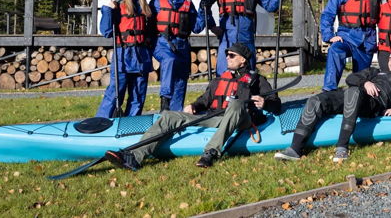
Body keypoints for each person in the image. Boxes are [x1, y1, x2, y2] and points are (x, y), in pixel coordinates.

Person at [104, 43, 281, 170]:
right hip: (215, 118)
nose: (227, 57)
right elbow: (204, 100)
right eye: (227, 54)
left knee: (235, 104)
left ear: (243, 60)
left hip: (241, 119)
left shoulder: (256, 80)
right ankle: (134, 156)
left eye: (232, 55)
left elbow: (276, 104)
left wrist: (266, 103)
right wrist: (194, 106)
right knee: (170, 116)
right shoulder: (220, 79)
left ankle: (210, 152)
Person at [274, 49, 391, 162]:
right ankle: (295, 149)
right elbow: (351, 78)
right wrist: (366, 82)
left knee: (354, 92)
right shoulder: (375, 72)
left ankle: (342, 147)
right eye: (390, 59)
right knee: (316, 100)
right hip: (353, 93)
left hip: (372, 104)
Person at [200, 0, 286, 75]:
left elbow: (271, 6)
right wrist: (212, 26)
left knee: (248, 73)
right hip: (227, 35)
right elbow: (204, 6)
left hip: (247, 36)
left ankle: (248, 93)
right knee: (224, 73)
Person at [96, 0, 155, 118]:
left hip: (141, 55)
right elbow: (107, 31)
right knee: (116, 92)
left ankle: (130, 124)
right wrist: (108, 10)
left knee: (138, 93)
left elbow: (151, 32)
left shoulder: (144, 7)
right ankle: (102, 122)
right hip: (123, 54)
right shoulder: (118, 6)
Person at [320, 0, 381, 91]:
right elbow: (328, 14)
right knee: (335, 51)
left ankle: (355, 99)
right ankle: (329, 90)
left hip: (367, 40)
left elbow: (382, 17)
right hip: (346, 36)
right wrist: (329, 36)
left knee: (361, 81)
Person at [149, 0, 205, 112]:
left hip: (182, 45)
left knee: (181, 79)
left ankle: (175, 114)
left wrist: (203, 11)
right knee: (169, 60)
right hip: (162, 43)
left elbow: (197, 28)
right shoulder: (157, 1)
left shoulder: (187, 2)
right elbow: (148, 23)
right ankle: (165, 102)